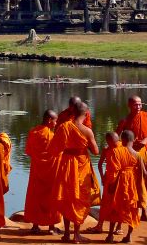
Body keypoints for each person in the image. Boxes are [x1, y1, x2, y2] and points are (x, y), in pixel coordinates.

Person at [50, 102, 100, 244]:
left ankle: (67, 234)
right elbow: (96, 151)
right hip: (81, 164)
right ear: (86, 114)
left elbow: (54, 150)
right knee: (80, 199)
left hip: (66, 164)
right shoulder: (87, 130)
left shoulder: (64, 127)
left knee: (67, 198)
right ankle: (76, 235)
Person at [116, 95, 147, 222]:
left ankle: (145, 211)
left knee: (144, 183)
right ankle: (127, 212)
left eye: (140, 104)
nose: (139, 107)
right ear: (129, 105)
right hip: (129, 155)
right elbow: (116, 135)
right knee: (130, 184)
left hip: (144, 153)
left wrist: (146, 139)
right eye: (136, 104)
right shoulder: (125, 120)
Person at [104, 130, 146, 243]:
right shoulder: (137, 154)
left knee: (115, 207)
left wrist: (111, 185)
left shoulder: (117, 151)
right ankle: (129, 236)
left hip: (119, 183)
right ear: (133, 140)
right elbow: (144, 173)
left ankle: (110, 236)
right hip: (132, 184)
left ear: (122, 140)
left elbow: (114, 171)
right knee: (132, 209)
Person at [24, 109, 62, 235]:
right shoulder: (51, 136)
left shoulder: (33, 132)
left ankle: (35, 226)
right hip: (51, 172)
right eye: (55, 121)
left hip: (37, 171)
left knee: (36, 196)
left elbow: (29, 152)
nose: (56, 123)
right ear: (50, 120)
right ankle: (51, 227)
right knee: (51, 197)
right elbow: (58, 153)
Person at [88, 132, 122, 235]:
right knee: (105, 204)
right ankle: (100, 226)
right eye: (112, 143)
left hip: (121, 180)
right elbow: (99, 164)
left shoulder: (123, 148)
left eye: (116, 142)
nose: (114, 144)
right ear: (109, 141)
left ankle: (119, 227)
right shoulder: (107, 150)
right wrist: (102, 177)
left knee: (119, 203)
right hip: (109, 180)